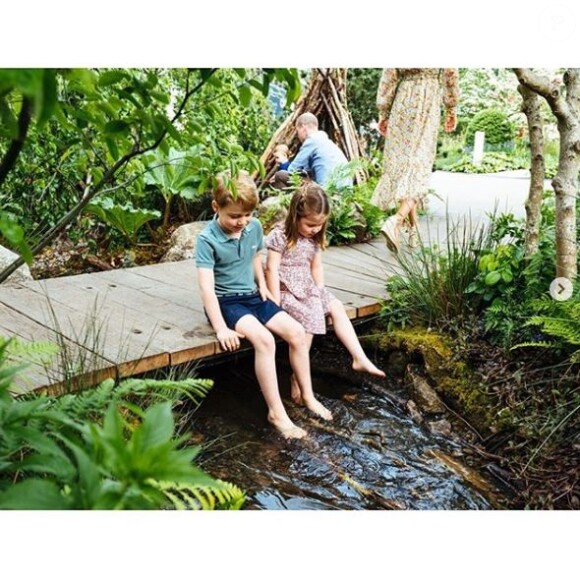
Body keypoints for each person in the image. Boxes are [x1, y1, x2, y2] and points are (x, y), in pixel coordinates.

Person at [195, 172, 332, 440]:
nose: (242, 222)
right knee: (265, 341)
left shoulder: (253, 226)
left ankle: (307, 395)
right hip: (227, 303)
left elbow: (255, 258)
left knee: (296, 332)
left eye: (247, 215)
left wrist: (265, 288)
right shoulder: (206, 239)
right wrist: (222, 328)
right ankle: (277, 413)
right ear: (216, 207)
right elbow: (206, 289)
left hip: (254, 296)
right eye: (234, 216)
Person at [265, 183, 386, 419]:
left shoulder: (314, 237)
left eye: (319, 224)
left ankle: (358, 358)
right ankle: (299, 381)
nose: (314, 229)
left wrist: (319, 292)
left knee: (336, 306)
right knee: (309, 319)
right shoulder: (280, 235)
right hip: (286, 289)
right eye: (310, 224)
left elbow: (316, 266)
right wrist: (275, 302)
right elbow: (271, 268)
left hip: (308, 287)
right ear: (295, 216)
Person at [372, 68, 459, 252]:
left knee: (405, 164)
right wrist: (451, 106)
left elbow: (389, 74)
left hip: (403, 100)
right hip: (428, 100)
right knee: (420, 166)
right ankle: (396, 221)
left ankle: (413, 230)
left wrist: (384, 111)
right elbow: (450, 71)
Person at [272, 112, 352, 189]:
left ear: (303, 128)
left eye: (297, 131)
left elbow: (292, 170)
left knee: (280, 175)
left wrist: (283, 163)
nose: (298, 136)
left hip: (326, 192)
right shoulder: (327, 142)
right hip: (343, 192)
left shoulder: (312, 141)